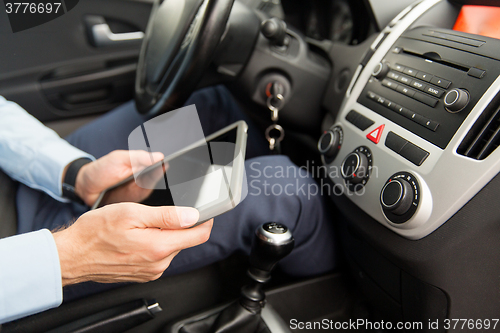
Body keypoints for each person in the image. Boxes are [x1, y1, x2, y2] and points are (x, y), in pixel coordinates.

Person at [0, 86, 336, 324]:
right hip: (21, 255)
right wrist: (71, 256)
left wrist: (76, 174)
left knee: (211, 105)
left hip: (15, 186)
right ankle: (337, 304)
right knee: (284, 187)